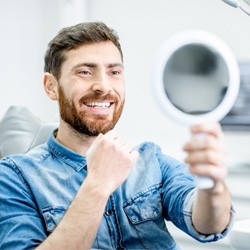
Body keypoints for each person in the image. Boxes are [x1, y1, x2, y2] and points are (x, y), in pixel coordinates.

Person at [0, 22, 234, 250]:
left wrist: (213, 186)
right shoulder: (14, 177)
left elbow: (208, 224)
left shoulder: (151, 160)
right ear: (51, 86)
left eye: (114, 72)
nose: (103, 86)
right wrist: (97, 185)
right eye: (84, 71)